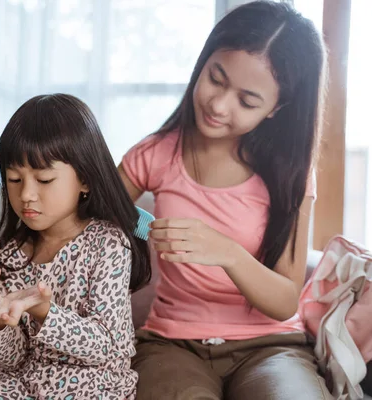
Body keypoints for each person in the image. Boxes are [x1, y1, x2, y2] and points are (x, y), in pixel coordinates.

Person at [118, 2, 332, 399]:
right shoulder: (155, 153)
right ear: (203, 61)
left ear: (277, 109)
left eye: (247, 101)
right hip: (171, 345)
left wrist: (227, 253)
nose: (219, 105)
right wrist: (145, 227)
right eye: (216, 78)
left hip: (272, 348)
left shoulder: (291, 176)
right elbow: (94, 214)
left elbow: (285, 300)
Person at [0, 93, 151, 400]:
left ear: (85, 180)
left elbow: (106, 345)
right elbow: (14, 361)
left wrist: (42, 310)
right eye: (14, 178)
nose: (26, 194)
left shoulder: (108, 245)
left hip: (92, 386)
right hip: (25, 384)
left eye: (45, 180)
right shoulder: (7, 254)